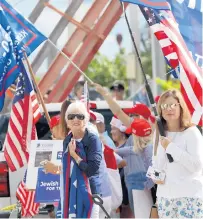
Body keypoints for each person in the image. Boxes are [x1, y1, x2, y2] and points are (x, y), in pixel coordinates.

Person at [93, 82, 154, 217]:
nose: (132, 118)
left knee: (144, 215)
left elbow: (119, 112)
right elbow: (118, 112)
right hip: (141, 181)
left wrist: (105, 94)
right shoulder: (137, 133)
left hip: (148, 181)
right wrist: (105, 94)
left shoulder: (151, 131)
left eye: (135, 115)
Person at [44, 101, 111, 218]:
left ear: (85, 120)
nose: (75, 119)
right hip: (71, 194)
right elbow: (68, 169)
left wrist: (75, 155)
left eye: (80, 116)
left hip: (91, 194)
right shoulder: (67, 141)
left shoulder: (92, 139)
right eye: (71, 116)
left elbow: (92, 170)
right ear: (67, 122)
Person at [153, 89, 203, 218]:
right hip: (165, 199)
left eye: (173, 105)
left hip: (189, 198)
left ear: (181, 106)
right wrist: (155, 175)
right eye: (165, 105)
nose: (169, 109)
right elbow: (156, 163)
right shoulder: (158, 133)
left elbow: (196, 166)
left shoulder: (192, 132)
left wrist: (171, 147)